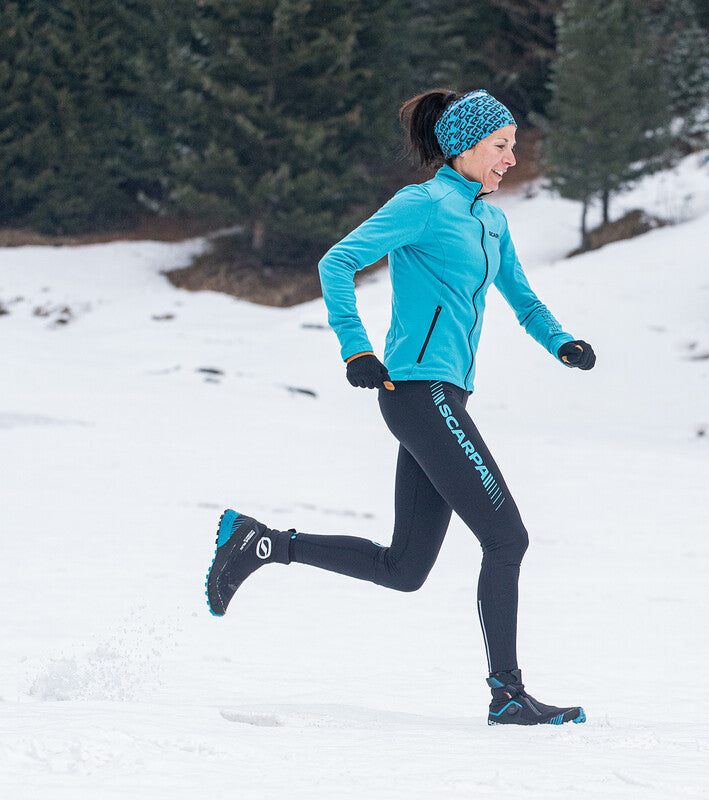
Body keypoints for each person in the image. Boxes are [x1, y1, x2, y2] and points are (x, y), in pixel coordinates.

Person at [205, 88, 595, 727]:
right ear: (465, 146)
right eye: (501, 146)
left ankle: (263, 544)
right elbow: (338, 262)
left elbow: (522, 299)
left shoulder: (491, 222)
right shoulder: (425, 205)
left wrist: (562, 342)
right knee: (507, 538)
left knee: (404, 568)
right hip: (418, 391)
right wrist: (356, 348)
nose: (511, 159)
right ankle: (507, 694)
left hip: (445, 397)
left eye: (513, 147)